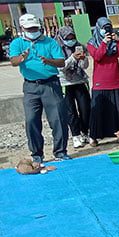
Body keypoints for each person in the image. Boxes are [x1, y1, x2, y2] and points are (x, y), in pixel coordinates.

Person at [9, 14, 69, 163]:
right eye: (29, 29)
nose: (33, 31)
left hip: (51, 84)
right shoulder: (17, 43)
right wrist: (22, 57)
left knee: (58, 118)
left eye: (35, 28)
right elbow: (13, 61)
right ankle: (37, 154)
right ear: (22, 28)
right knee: (31, 120)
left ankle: (60, 152)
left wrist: (49, 61)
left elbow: (61, 62)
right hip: (30, 86)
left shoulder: (50, 42)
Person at [87, 17, 119, 146]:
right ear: (98, 28)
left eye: (108, 27)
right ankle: (94, 136)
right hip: (100, 82)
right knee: (98, 111)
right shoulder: (91, 42)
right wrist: (104, 43)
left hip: (116, 80)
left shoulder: (115, 40)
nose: (106, 30)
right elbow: (97, 57)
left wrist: (118, 42)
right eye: (103, 28)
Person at [55, 26, 91, 150]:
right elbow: (61, 67)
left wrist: (83, 59)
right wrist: (73, 58)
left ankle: (85, 132)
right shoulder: (57, 48)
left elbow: (84, 66)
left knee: (85, 108)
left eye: (72, 37)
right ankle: (75, 135)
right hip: (65, 83)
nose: (70, 40)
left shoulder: (79, 46)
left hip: (80, 81)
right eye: (67, 38)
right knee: (70, 111)